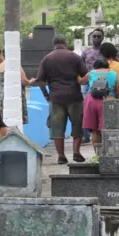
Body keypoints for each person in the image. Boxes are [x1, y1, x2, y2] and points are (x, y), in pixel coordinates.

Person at [36, 34, 89, 164]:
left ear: (53, 45)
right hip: (74, 96)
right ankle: (76, 152)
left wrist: (46, 95)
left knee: (57, 128)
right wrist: (80, 81)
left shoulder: (47, 59)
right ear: (66, 44)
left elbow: (40, 81)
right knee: (78, 125)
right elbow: (86, 74)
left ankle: (61, 156)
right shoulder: (75, 57)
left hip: (56, 98)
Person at [82, 59, 119, 149]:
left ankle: (97, 155)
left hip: (91, 101)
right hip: (108, 101)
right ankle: (107, 152)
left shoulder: (91, 73)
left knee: (94, 131)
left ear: (95, 66)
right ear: (107, 66)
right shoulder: (114, 74)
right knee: (107, 129)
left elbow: (81, 82)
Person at [0, 50, 35, 125]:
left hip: (2, 96)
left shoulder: (0, 65)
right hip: (14, 95)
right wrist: (30, 82)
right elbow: (24, 81)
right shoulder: (15, 64)